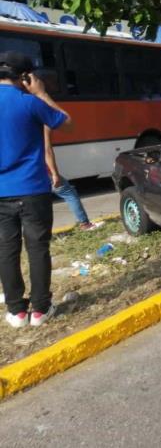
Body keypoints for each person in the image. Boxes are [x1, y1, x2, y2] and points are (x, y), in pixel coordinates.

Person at [0, 52, 72, 328]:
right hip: (32, 190)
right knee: (37, 248)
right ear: (26, 77)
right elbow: (67, 122)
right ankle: (40, 310)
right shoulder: (30, 103)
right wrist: (41, 94)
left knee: (6, 249)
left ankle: (16, 311)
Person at [32, 69, 97, 231]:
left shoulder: (23, 109)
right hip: (41, 166)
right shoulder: (42, 113)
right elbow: (46, 148)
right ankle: (84, 223)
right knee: (68, 192)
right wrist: (54, 173)